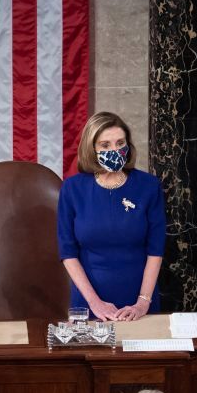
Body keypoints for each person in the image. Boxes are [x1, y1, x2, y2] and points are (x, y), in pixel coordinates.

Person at [56, 111, 165, 322]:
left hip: (139, 302)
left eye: (119, 143)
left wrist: (143, 302)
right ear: (92, 148)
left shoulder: (149, 186)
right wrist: (94, 302)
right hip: (88, 303)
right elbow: (67, 252)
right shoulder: (72, 188)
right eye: (105, 145)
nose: (114, 150)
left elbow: (156, 250)